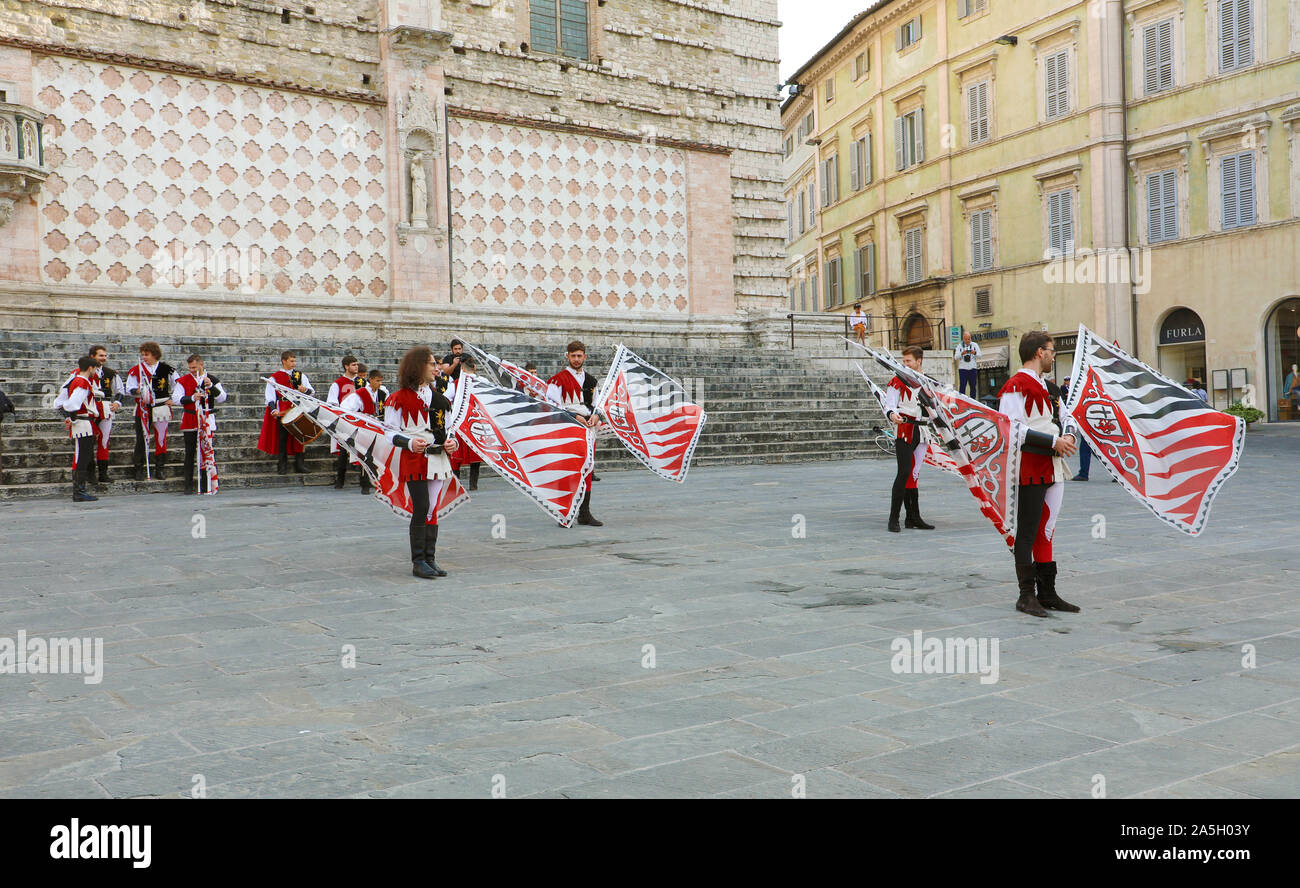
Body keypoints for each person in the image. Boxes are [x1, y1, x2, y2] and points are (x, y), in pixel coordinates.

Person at [999, 331, 1080, 617]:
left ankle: (1047, 593)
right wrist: (1051, 442)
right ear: (1038, 353)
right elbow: (1010, 428)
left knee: (1047, 531)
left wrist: (1068, 436)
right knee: (1028, 531)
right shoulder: (1015, 386)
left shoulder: (1052, 388)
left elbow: (1067, 417)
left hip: (1054, 465)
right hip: (1029, 466)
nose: (1053, 354)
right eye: (1051, 350)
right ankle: (1026, 596)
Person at [385, 346, 459, 579]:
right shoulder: (397, 399)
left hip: (438, 458)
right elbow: (389, 432)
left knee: (432, 508)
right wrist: (408, 443)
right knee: (422, 506)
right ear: (418, 367)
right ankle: (418, 561)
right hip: (415, 458)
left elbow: (447, 431)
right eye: (431, 363)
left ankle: (430, 558)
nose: (437, 367)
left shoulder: (440, 399)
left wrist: (451, 442)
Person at [546, 340, 602, 526]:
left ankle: (584, 513)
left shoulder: (592, 381)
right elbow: (550, 406)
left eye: (579, 356)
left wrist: (597, 416)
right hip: (568, 429)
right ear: (567, 356)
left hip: (588, 430)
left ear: (585, 356)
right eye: (573, 356)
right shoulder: (557, 380)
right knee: (569, 470)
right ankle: (564, 512)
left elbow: (597, 405)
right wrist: (573, 415)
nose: (576, 359)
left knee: (587, 470)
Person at [882, 345, 934, 533]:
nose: (905, 364)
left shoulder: (926, 382)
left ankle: (913, 517)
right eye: (904, 361)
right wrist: (892, 415)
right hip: (904, 429)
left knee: (914, 475)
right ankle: (893, 518)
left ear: (918, 361)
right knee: (903, 472)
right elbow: (889, 405)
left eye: (908, 361)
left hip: (922, 431)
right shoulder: (897, 381)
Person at [171, 354, 227, 495]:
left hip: (207, 418)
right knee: (190, 452)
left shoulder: (212, 379)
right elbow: (176, 399)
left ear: (201, 365)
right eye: (190, 367)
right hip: (190, 418)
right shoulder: (183, 380)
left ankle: (205, 483)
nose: (191, 370)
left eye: (194, 367)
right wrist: (191, 398)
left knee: (205, 452)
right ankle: (188, 485)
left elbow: (222, 398)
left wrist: (211, 386)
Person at [58, 356, 110, 503]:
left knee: (83, 456)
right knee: (83, 457)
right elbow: (72, 404)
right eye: (95, 369)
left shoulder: (76, 380)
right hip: (82, 422)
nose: (95, 372)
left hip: (82, 422)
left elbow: (62, 402)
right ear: (90, 368)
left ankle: (80, 491)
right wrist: (71, 416)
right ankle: (79, 492)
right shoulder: (83, 382)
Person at [124, 342, 175, 480]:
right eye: (143, 355)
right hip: (143, 407)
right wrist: (138, 390)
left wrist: (173, 399)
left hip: (161, 406)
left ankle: (160, 468)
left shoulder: (167, 369)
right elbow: (129, 389)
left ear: (154, 354)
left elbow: (178, 385)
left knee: (160, 439)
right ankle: (139, 468)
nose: (144, 357)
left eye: (146, 354)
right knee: (141, 439)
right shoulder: (136, 370)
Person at [257, 350, 314, 474]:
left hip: (297, 409)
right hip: (283, 410)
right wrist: (274, 409)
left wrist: (304, 390)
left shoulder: (300, 376)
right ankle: (282, 465)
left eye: (294, 361)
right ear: (284, 361)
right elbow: (270, 396)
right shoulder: (275, 377)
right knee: (282, 438)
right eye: (291, 361)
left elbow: (311, 392)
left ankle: (300, 464)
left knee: (300, 437)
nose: (294, 363)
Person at [340, 369, 386, 495]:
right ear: (370, 379)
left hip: (378, 429)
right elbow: (345, 409)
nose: (379, 383)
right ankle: (365, 484)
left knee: (378, 457)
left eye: (381, 381)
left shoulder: (382, 394)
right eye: (377, 381)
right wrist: (358, 419)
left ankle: (377, 482)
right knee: (366, 457)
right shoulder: (359, 394)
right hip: (364, 430)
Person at [86, 346, 125, 483]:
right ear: (92, 356)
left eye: (105, 356)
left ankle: (103, 474)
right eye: (100, 355)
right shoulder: (82, 372)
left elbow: (120, 390)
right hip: (89, 407)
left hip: (106, 408)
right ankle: (90, 474)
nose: (103, 358)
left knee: (104, 441)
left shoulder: (111, 373)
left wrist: (117, 403)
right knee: (88, 441)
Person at [450, 357, 484, 491]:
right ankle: (473, 485)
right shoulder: (482, 382)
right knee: (474, 454)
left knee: (456, 454)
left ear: (462, 369)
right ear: (474, 368)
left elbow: (446, 399)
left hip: (460, 422)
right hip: (476, 422)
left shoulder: (454, 384)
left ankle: (456, 485)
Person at [328, 356, 361, 489]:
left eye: (357, 364)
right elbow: (332, 403)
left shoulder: (362, 382)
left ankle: (364, 479)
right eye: (353, 365)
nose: (356, 367)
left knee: (363, 450)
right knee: (343, 451)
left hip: (360, 422)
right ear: (346, 366)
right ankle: (340, 480)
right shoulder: (337, 383)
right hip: (344, 422)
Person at [956, 331, 982, 399]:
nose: (967, 341)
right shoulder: (959, 346)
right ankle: (961, 399)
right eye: (966, 339)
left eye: (969, 339)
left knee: (973, 386)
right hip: (962, 369)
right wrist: (962, 353)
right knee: (962, 386)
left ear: (970, 338)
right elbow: (955, 357)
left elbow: (980, 355)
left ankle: (973, 400)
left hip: (972, 368)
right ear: (963, 339)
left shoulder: (974, 345)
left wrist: (974, 352)